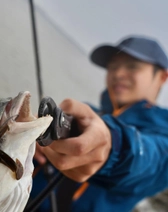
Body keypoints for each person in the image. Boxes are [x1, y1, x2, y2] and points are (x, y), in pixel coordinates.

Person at [29, 35, 168, 212]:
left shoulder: (163, 134)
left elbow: (148, 159)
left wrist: (111, 147)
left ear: (163, 77)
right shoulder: (87, 113)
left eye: (133, 66)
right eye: (113, 66)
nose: (118, 74)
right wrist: (32, 139)